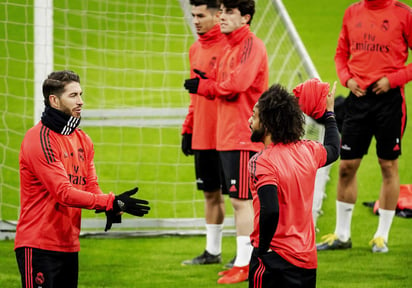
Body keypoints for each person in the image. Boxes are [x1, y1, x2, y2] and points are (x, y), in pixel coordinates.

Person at [14, 70, 151, 288]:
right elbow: (63, 193)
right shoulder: (38, 139)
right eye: (73, 96)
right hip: (38, 245)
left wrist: (113, 206)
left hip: (69, 245)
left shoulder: (82, 139)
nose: (81, 101)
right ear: (54, 100)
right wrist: (109, 200)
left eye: (81, 94)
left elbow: (91, 187)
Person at [317, 0, 412, 253]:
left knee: (388, 165)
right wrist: (347, 79)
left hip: (390, 102)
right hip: (357, 101)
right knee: (347, 166)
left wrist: (393, 80)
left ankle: (382, 236)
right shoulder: (352, 12)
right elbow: (340, 54)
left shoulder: (403, 14)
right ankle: (342, 235)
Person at [184, 0, 268, 283]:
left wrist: (205, 87)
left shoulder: (250, 45)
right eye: (222, 11)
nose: (222, 17)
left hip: (243, 135)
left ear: (245, 17)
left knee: (242, 201)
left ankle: (246, 264)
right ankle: (241, 261)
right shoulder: (231, 47)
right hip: (226, 136)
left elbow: (238, 85)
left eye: (229, 12)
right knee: (236, 200)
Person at [247, 81, 340, 288]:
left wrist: (262, 250)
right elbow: (334, 148)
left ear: (269, 124)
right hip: (306, 260)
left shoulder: (261, 162)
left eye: (254, 116)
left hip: (273, 258)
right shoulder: (308, 151)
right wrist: (330, 113)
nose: (250, 120)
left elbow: (270, 210)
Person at [180, 0, 228, 267]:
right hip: (203, 135)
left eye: (200, 15)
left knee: (242, 198)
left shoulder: (230, 47)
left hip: (228, 135)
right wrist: (189, 128)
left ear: (217, 15)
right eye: (193, 15)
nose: (195, 21)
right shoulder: (195, 48)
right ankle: (212, 251)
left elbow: (233, 87)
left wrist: (206, 85)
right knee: (210, 193)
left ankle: (248, 252)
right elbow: (194, 97)